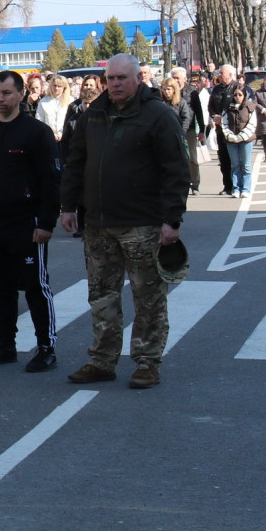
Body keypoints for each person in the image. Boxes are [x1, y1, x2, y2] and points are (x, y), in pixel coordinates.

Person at [61, 54, 190, 389]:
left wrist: (172, 220)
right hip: (98, 224)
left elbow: (176, 170)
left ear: (137, 79)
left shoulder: (157, 115)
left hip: (142, 225)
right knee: (102, 296)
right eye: (111, 78)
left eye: (122, 78)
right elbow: (75, 162)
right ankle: (102, 360)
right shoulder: (94, 115)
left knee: (148, 298)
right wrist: (68, 206)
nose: (116, 84)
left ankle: (147, 362)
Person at [0, 70, 60, 373]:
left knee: (34, 287)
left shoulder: (36, 132)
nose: (1, 99)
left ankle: (46, 347)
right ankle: (5, 344)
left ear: (21, 95)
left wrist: (46, 223)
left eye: (7, 93)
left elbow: (51, 180)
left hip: (26, 223)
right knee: (1, 287)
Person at [170, 67, 205, 195]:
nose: (175, 80)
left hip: (189, 129)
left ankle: (195, 183)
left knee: (192, 158)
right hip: (173, 129)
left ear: (184, 79)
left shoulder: (192, 92)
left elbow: (199, 111)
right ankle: (180, 183)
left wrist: (202, 130)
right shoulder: (169, 90)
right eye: (173, 78)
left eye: (177, 78)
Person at [221, 84, 257, 199]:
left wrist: (241, 136)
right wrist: (230, 136)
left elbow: (252, 124)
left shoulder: (249, 106)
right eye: (235, 94)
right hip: (231, 140)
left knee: (246, 165)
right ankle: (236, 188)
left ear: (244, 95)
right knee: (235, 165)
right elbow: (224, 123)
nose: (237, 97)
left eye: (240, 94)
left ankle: (246, 189)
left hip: (246, 140)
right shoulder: (228, 107)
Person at [208, 64, 238, 195]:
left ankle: (237, 185)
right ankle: (227, 186)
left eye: (222, 73)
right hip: (220, 129)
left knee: (235, 159)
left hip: (233, 128)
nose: (219, 75)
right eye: (219, 73)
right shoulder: (216, 89)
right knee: (224, 159)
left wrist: (224, 116)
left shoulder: (236, 88)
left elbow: (239, 105)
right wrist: (214, 115)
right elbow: (211, 106)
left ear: (230, 75)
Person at [159, 78, 194, 175]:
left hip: (178, 136)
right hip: (163, 136)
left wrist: (181, 133)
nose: (166, 92)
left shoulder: (181, 102)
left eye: (169, 89)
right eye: (164, 89)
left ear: (174, 89)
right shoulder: (160, 102)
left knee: (182, 161)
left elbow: (186, 118)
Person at [36, 74, 72, 144]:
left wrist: (62, 134)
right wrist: (51, 134)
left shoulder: (70, 101)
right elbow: (39, 120)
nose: (56, 88)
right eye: (54, 85)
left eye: (59, 86)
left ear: (64, 87)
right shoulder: (43, 101)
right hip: (48, 139)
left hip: (66, 139)